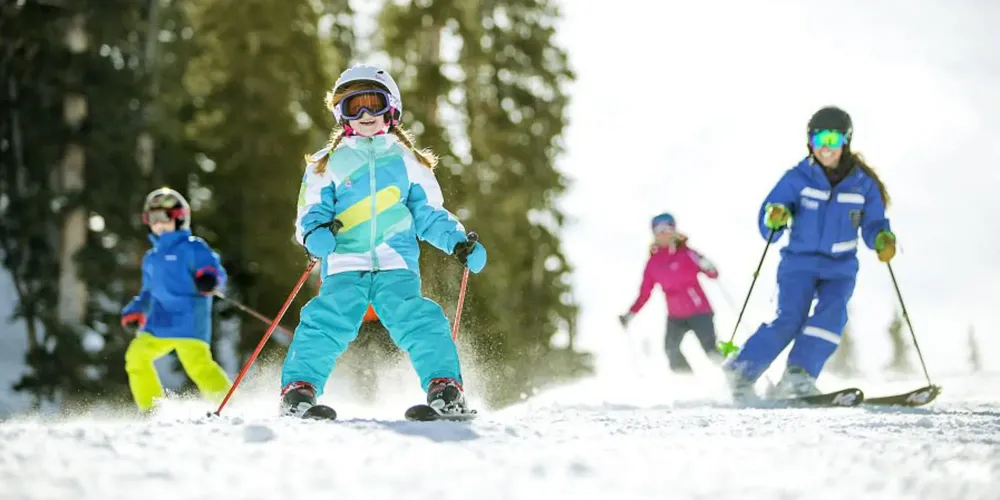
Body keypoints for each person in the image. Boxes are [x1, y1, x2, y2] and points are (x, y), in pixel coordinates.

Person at [279, 64, 487, 418]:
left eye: (374, 104)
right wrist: (314, 235)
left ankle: (445, 388)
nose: (365, 115)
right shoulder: (327, 163)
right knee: (325, 321)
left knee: (421, 320)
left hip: (396, 262)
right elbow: (311, 210)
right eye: (354, 107)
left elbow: (428, 213)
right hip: (345, 262)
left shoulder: (408, 161)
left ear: (392, 108)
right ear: (341, 114)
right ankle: (298, 391)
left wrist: (456, 242)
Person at [722, 106, 896, 400]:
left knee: (833, 316)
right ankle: (742, 370)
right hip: (798, 263)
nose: (825, 148)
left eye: (833, 140)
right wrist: (775, 217)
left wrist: (881, 238)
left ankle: (798, 376)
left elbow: (874, 223)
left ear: (846, 142)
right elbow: (770, 217)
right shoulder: (797, 178)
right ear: (809, 143)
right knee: (790, 318)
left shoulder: (862, 184)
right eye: (819, 140)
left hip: (840, 267)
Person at [121, 187, 231, 412]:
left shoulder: (192, 247)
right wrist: (136, 310)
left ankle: (229, 405)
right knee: (136, 356)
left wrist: (208, 277)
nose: (158, 224)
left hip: (189, 320)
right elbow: (148, 291)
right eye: (153, 219)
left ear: (179, 218)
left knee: (199, 366)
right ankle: (151, 410)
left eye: (164, 217)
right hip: (159, 321)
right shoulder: (151, 258)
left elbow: (213, 269)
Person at [619, 213, 723, 373]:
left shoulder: (687, 254)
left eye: (667, 229)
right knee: (670, 349)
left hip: (699, 311)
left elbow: (713, 274)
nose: (663, 234)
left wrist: (707, 265)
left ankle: (737, 372)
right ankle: (687, 381)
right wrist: (630, 314)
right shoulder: (653, 263)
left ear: (674, 231)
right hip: (676, 316)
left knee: (710, 350)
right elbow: (644, 293)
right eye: (659, 230)